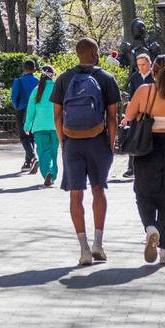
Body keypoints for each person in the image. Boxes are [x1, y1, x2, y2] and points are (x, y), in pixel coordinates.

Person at [52, 38, 121, 266]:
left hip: (72, 142)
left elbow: (58, 116)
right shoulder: (106, 79)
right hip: (97, 141)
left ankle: (83, 249)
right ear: (94, 54)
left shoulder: (63, 78)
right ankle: (98, 244)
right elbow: (112, 117)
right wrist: (111, 144)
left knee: (75, 194)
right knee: (99, 190)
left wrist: (64, 143)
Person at [123, 55, 165, 265]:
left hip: (148, 145)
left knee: (143, 192)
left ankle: (151, 227)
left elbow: (129, 114)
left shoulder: (144, 91)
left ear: (152, 71)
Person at [122, 53, 155, 178]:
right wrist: (128, 116)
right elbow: (131, 98)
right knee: (134, 138)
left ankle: (150, 167)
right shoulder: (135, 77)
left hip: (152, 113)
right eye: (139, 65)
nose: (141, 67)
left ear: (149, 64)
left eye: (143, 65)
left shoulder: (155, 77)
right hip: (137, 114)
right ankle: (131, 168)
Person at [25, 65, 58, 187]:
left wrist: (27, 126)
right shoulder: (58, 88)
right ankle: (53, 175)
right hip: (56, 126)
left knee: (43, 152)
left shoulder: (37, 90)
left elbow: (30, 109)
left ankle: (47, 172)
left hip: (39, 126)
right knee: (53, 152)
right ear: (53, 75)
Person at [9, 60, 40, 174]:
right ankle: (28, 163)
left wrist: (17, 106)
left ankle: (33, 157)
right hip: (35, 111)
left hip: (22, 110)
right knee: (31, 136)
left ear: (23, 68)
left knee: (23, 136)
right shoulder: (38, 81)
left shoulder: (19, 81)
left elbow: (14, 96)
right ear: (34, 68)